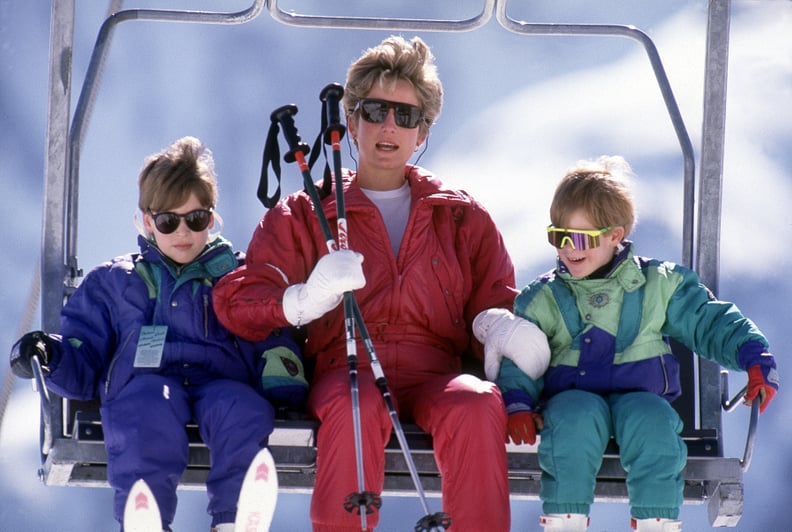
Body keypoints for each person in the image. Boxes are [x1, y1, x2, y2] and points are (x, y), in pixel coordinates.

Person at [212, 36, 546, 531]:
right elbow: (239, 302)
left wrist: (499, 327)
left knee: (476, 403)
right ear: (351, 122)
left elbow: (492, 302)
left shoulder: (459, 217)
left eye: (405, 116)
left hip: (436, 372)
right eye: (375, 110)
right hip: (343, 366)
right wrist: (304, 299)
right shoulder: (307, 213)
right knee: (355, 404)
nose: (389, 126)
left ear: (423, 131)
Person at [10, 136, 307, 532]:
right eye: (169, 221)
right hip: (146, 385)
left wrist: (281, 367)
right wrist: (52, 356)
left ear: (212, 217)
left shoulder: (238, 278)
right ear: (148, 221)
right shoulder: (113, 284)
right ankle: (147, 514)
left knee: (242, 409)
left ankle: (236, 518)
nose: (182, 232)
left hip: (220, 381)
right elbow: (86, 356)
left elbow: (267, 326)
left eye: (196, 219)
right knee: (146, 409)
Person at [473, 155, 779, 532]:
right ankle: (564, 520)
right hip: (572, 399)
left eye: (580, 238)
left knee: (654, 425)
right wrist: (517, 404)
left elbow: (708, 319)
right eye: (558, 236)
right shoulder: (546, 297)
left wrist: (751, 355)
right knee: (572, 420)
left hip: (641, 397)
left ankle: (656, 522)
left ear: (615, 235)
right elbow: (521, 353)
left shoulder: (657, 285)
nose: (568, 249)